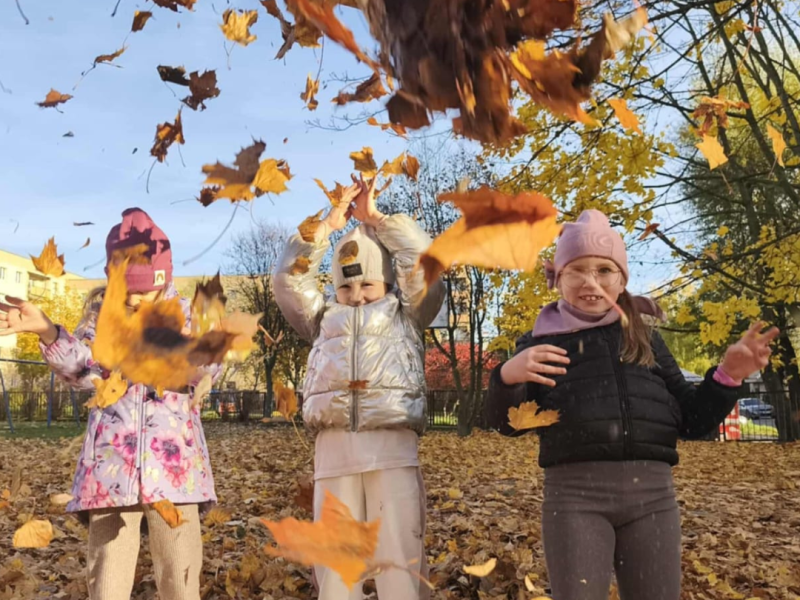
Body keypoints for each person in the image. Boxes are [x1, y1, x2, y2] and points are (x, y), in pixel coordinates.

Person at [485, 210, 778, 600]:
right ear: (557, 278)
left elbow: (693, 422)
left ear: (621, 279)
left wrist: (728, 376)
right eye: (577, 270)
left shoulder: (646, 340)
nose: (591, 282)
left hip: (654, 501)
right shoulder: (538, 344)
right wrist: (507, 376)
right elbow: (506, 424)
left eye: (604, 270)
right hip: (575, 500)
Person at [0, 208, 218, 600]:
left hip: (175, 474)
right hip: (109, 473)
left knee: (181, 580)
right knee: (107, 585)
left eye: (144, 289)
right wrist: (47, 330)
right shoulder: (100, 319)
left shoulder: (187, 316)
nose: (134, 298)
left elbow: (208, 367)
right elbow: (81, 368)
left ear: (163, 278)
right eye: (126, 289)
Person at [273, 177, 445, 600]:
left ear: (387, 284)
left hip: (391, 450)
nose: (356, 295)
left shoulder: (405, 314)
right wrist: (326, 227)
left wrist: (378, 220)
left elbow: (426, 266)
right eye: (345, 286)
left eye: (367, 284)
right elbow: (287, 280)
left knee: (398, 557)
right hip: (335, 453)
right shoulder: (322, 318)